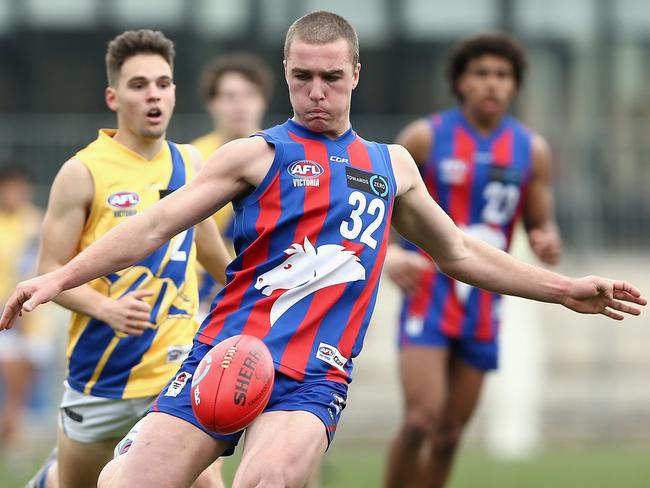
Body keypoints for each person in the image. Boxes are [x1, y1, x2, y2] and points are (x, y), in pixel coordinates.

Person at [0, 12, 644, 488]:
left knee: (265, 484)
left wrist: (564, 289)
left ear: (355, 76)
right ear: (286, 74)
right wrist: (58, 279)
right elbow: (153, 226)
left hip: (310, 378)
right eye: (302, 76)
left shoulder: (392, 166)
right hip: (219, 357)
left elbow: (460, 254)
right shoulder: (254, 153)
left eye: (331, 78)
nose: (316, 91)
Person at [22, 30, 230, 488]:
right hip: (102, 377)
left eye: (163, 83)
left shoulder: (192, 164)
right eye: (139, 85)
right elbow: (47, 272)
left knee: (207, 483)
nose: (153, 94)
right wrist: (106, 309)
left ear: (174, 92)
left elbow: (213, 250)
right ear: (114, 96)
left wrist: (257, 299)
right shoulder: (82, 172)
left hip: (175, 372)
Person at [383, 33, 562, 488]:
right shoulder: (424, 138)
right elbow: (378, 211)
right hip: (429, 292)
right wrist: (391, 256)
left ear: (515, 86)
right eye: (481, 74)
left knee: (448, 435)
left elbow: (540, 220)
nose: (492, 84)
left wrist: (546, 239)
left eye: (502, 76)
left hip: (486, 297)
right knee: (421, 419)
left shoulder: (530, 149)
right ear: (460, 82)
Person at [191, 53, 274, 309]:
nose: (240, 105)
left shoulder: (285, 157)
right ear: (212, 103)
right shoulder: (193, 158)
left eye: (249, 94)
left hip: (263, 291)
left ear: (262, 101)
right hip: (202, 295)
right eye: (229, 96)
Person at [0, 166, 54, 460]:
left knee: (21, 388)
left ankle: (13, 437)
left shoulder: (35, 222)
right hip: (5, 316)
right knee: (14, 386)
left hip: (34, 318)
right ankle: (12, 442)